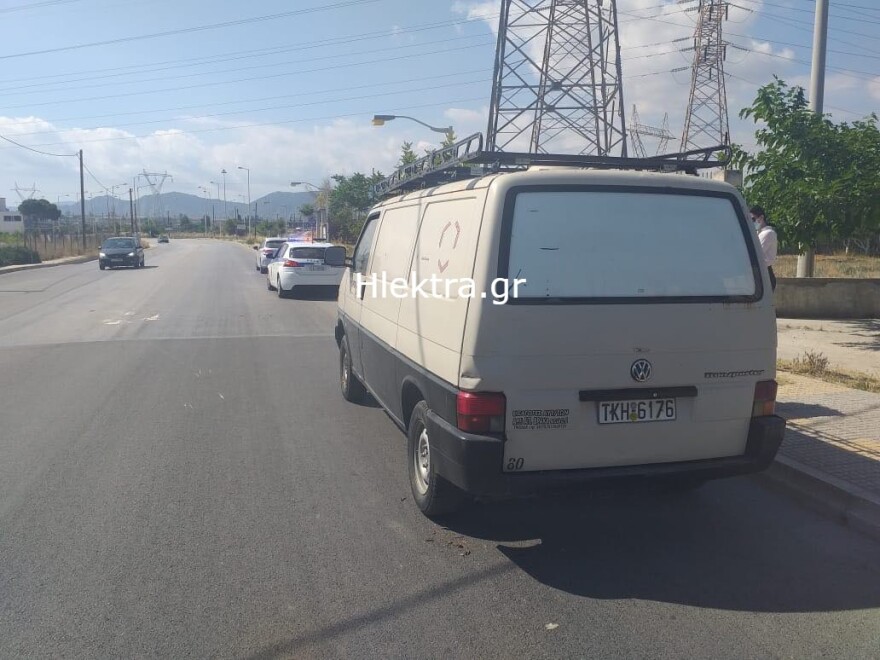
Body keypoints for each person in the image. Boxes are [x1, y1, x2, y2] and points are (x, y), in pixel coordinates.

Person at [750, 205, 777, 291]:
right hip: (759, 272)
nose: (752, 222)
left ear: (761, 217)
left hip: (765, 273)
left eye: (753, 219)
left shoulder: (768, 233)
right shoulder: (759, 233)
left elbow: (755, 252)